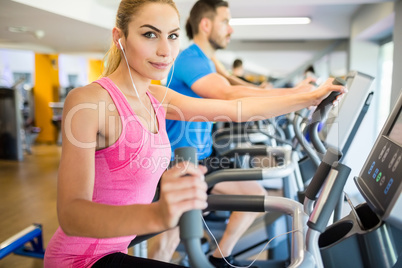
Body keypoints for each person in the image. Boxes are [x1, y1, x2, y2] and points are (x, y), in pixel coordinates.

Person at [43, 0, 345, 267]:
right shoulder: (88, 101)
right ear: (119, 38)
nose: (165, 50)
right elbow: (71, 215)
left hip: (117, 249)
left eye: (172, 36)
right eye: (150, 34)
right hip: (80, 259)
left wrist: (308, 98)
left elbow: (238, 108)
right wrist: (158, 215)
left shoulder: (157, 97)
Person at [161, 0, 345, 267]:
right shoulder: (189, 59)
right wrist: (305, 96)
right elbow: (229, 94)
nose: (230, 30)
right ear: (205, 24)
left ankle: (218, 259)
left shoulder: (207, 61)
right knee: (169, 237)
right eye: (225, 21)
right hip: (178, 161)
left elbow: (238, 85)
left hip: (201, 156)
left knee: (254, 195)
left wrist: (297, 92)